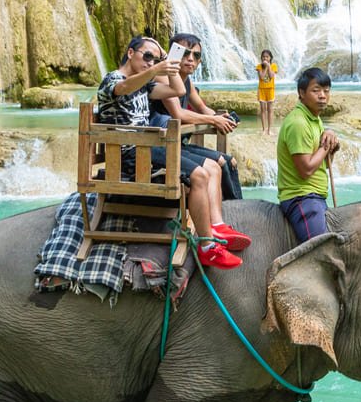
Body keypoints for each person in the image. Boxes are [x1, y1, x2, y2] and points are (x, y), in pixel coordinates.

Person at [96, 35, 248, 270]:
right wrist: (157, 67)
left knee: (211, 166)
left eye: (155, 58)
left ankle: (215, 227)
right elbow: (123, 87)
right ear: (130, 53)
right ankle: (207, 246)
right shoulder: (112, 79)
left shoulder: (145, 86)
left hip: (150, 148)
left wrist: (170, 62)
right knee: (198, 175)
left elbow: (177, 89)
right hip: (131, 154)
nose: (150, 62)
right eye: (147, 56)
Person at [154, 32, 244, 202]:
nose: (190, 59)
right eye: (185, 53)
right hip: (159, 146)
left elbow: (202, 107)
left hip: (176, 144)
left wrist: (221, 117)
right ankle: (223, 215)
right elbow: (178, 113)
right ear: (173, 54)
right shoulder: (164, 77)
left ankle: (235, 210)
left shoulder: (187, 81)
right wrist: (214, 120)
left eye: (195, 55)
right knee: (220, 162)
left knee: (229, 161)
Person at [277, 67, 340, 245]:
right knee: (320, 250)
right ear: (301, 93)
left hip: (315, 197)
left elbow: (323, 165)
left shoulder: (314, 119)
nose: (322, 96)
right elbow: (306, 169)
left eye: (326, 91)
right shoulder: (298, 122)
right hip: (302, 199)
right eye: (316, 90)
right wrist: (326, 146)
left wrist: (330, 149)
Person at [255, 48, 279, 133]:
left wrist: (269, 66)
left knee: (270, 110)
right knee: (262, 110)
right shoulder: (259, 66)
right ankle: (264, 129)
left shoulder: (274, 66)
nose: (265, 58)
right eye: (263, 57)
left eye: (267, 57)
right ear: (261, 58)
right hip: (261, 90)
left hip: (270, 89)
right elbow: (261, 77)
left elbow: (272, 76)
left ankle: (269, 130)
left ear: (270, 58)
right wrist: (265, 67)